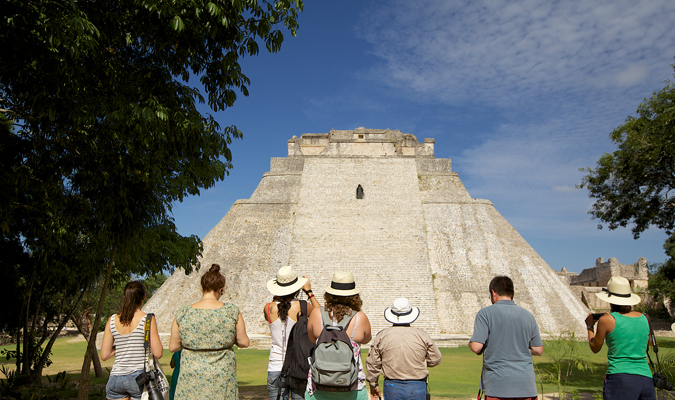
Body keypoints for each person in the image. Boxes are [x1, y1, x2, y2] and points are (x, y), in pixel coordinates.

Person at [169, 264, 249, 400]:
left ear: (202, 288)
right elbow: (244, 342)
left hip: (191, 377)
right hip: (221, 377)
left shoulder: (184, 313)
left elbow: (173, 346)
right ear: (220, 290)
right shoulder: (231, 312)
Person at [468, 276, 543, 400]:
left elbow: (476, 347)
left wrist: (471, 344)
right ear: (512, 294)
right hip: (526, 385)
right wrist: (519, 348)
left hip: (498, 385)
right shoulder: (528, 316)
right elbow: (538, 350)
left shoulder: (485, 313)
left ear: (493, 293)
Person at [585, 276, 656, 400]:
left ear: (611, 300)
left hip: (620, 376)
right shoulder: (645, 318)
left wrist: (590, 326)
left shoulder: (607, 320)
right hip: (645, 377)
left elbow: (595, 347)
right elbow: (646, 345)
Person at [306, 271, 372, 400]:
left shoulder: (316, 314)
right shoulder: (360, 318)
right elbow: (366, 339)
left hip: (318, 385)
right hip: (352, 386)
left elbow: (311, 339)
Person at [366, 297, 442, 400]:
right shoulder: (422, 335)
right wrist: (418, 363)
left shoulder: (382, 336)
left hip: (392, 385)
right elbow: (435, 359)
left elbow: (373, 363)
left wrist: (373, 384)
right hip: (417, 385)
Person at [264, 266, 321, 400]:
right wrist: (309, 292)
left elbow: (278, 306)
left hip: (275, 366)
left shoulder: (268, 308)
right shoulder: (302, 306)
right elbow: (320, 315)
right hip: (298, 365)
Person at [101, 281, 163, 400]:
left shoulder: (112, 320)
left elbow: (104, 355)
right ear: (144, 297)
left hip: (115, 379)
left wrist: (121, 345)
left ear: (125, 296)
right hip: (138, 379)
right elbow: (158, 353)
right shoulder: (148, 319)